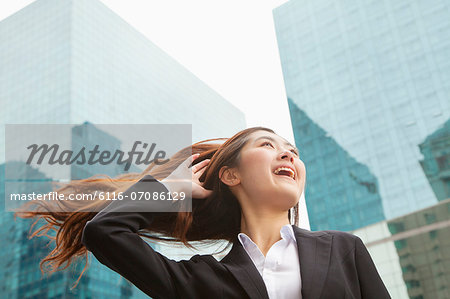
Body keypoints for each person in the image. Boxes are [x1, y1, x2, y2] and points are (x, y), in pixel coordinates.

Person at [15, 126, 391, 298]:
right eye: (268, 144)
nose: (288, 153)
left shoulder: (344, 250)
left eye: (292, 149)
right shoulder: (202, 281)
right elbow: (105, 232)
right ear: (230, 174)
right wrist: (172, 191)